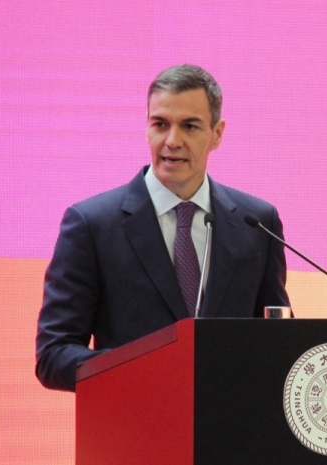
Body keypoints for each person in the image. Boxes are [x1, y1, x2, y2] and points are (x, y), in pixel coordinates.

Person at [36, 64, 290, 392]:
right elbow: (53, 355)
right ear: (147, 128)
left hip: (229, 421)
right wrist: (145, 371)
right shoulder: (92, 225)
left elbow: (279, 343)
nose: (172, 141)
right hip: (135, 419)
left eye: (189, 126)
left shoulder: (256, 223)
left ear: (217, 134)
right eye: (160, 124)